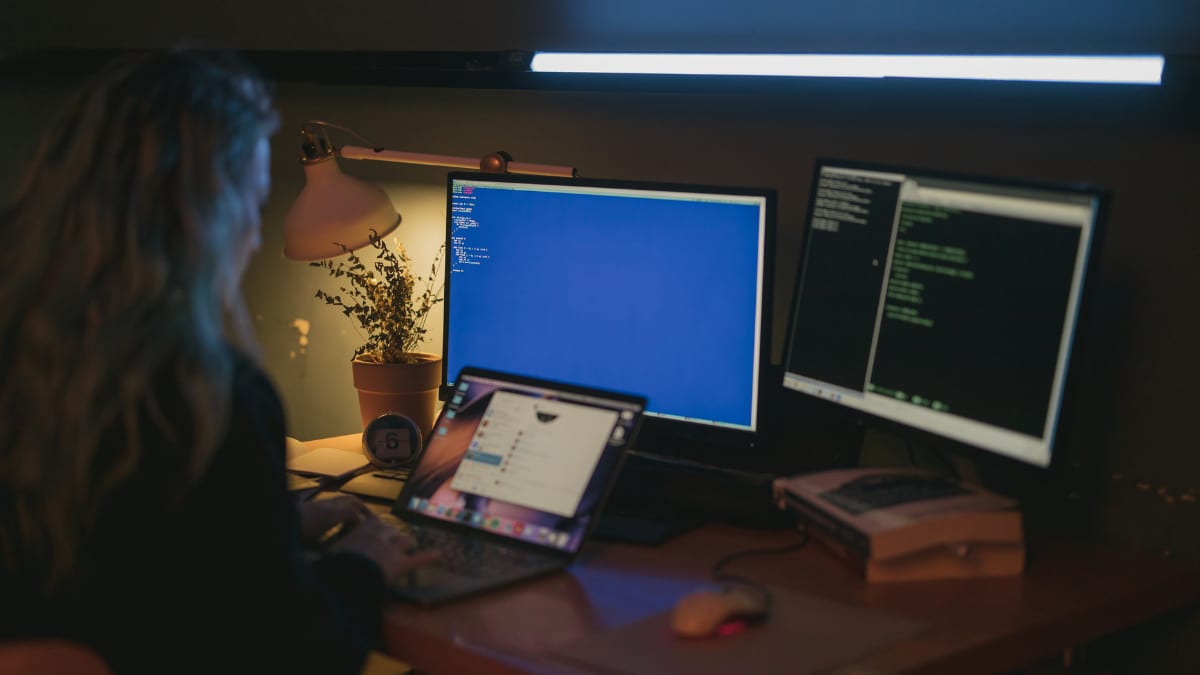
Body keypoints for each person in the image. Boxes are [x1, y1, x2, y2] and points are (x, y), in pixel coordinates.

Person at [0, 48, 436, 675]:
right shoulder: (207, 393)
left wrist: (271, 525)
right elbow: (297, 653)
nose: (256, 235)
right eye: (254, 205)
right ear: (208, 215)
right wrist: (363, 561)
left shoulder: (35, 350)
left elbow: (123, 542)